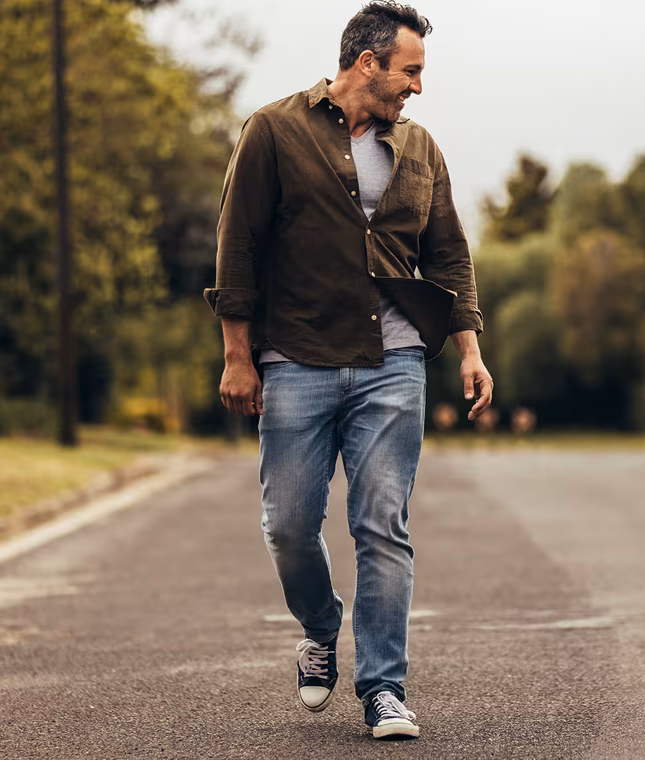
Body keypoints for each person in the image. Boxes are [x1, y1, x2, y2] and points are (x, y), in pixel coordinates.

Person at [204, 2, 493, 739]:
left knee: (382, 527)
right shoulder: (274, 130)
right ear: (368, 62)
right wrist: (238, 356)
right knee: (289, 526)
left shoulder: (420, 147)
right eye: (411, 71)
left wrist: (469, 349)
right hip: (295, 358)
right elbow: (237, 246)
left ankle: (384, 688)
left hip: (394, 362)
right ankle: (320, 626)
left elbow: (449, 254)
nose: (418, 88)